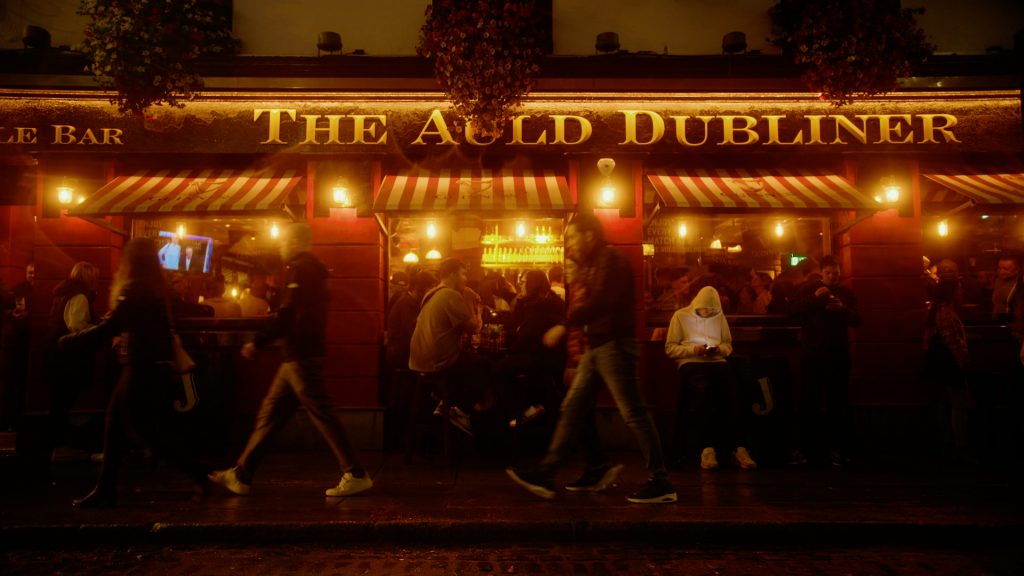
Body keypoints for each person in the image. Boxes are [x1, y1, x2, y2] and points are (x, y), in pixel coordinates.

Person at [506, 213, 676, 504]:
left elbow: (601, 301)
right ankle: (559, 473)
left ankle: (661, 481)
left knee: (633, 412)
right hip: (599, 346)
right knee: (572, 408)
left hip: (614, 346)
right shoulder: (597, 262)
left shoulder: (610, 259)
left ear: (589, 235)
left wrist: (564, 324)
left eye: (572, 237)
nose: (569, 244)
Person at [208, 223, 373, 498]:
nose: (281, 246)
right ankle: (242, 474)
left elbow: (288, 314)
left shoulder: (300, 269)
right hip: (297, 355)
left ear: (295, 241)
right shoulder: (312, 270)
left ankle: (355, 472)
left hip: (301, 354)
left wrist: (258, 342)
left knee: (321, 413)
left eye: (285, 240)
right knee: (270, 415)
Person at [60, 240, 212, 507]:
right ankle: (105, 489)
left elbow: (111, 326)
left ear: (131, 262)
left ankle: (199, 473)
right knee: (116, 426)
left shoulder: (134, 289)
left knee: (146, 432)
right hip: (153, 365)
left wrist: (71, 341)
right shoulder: (156, 288)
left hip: (141, 366)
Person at [664, 286, 757, 470]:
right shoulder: (680, 316)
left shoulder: (719, 316)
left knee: (734, 395)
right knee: (702, 396)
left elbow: (727, 345)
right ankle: (707, 448)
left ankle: (738, 447)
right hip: (691, 361)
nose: (707, 314)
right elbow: (670, 348)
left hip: (717, 361)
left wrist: (718, 350)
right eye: (703, 311)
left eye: (711, 311)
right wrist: (692, 350)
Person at [789, 254, 861, 466]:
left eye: (835, 273)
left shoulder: (845, 293)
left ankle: (836, 449)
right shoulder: (808, 290)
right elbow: (791, 312)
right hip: (812, 354)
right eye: (828, 273)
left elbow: (857, 320)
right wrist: (815, 298)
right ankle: (807, 450)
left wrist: (843, 309)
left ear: (840, 273)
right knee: (808, 402)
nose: (832, 277)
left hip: (837, 354)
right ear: (821, 272)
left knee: (837, 403)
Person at [408, 258, 484, 436]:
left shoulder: (432, 293)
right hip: (437, 362)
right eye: (463, 274)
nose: (466, 278)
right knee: (483, 365)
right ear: (452, 275)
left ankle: (444, 400)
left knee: (469, 362)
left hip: (417, 361)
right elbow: (474, 328)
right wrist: (477, 306)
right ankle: (460, 410)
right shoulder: (451, 295)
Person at [493, 269, 566, 427]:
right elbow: (521, 330)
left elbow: (527, 336)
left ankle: (521, 411)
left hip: (542, 359)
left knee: (498, 368)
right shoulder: (537, 303)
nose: (520, 285)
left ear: (533, 284)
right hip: (540, 355)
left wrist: (506, 352)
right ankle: (527, 407)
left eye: (524, 282)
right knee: (502, 364)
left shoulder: (542, 307)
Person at [46, 262, 99, 462]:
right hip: (68, 359)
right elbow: (77, 325)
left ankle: (55, 444)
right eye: (95, 277)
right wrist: (98, 327)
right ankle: (59, 447)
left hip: (56, 355)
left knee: (58, 402)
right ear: (88, 277)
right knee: (63, 401)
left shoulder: (64, 293)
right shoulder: (80, 296)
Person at [924, 278, 972, 464]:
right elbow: (953, 341)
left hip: (938, 365)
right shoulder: (946, 313)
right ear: (951, 292)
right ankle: (961, 448)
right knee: (959, 406)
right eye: (958, 289)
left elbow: (927, 341)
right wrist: (964, 362)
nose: (961, 293)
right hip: (949, 364)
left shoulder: (936, 310)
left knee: (943, 406)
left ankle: (946, 445)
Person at [1, 263, 33, 431]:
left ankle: (9, 420)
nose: (32, 275)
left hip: (13, 339)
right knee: (10, 380)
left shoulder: (8, 287)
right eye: (29, 272)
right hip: (13, 339)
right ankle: (8, 421)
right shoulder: (13, 288)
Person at [386, 270, 437, 370]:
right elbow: (414, 332)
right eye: (430, 288)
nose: (432, 293)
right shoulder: (407, 303)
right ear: (421, 288)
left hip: (404, 351)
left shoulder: (410, 301)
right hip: (402, 354)